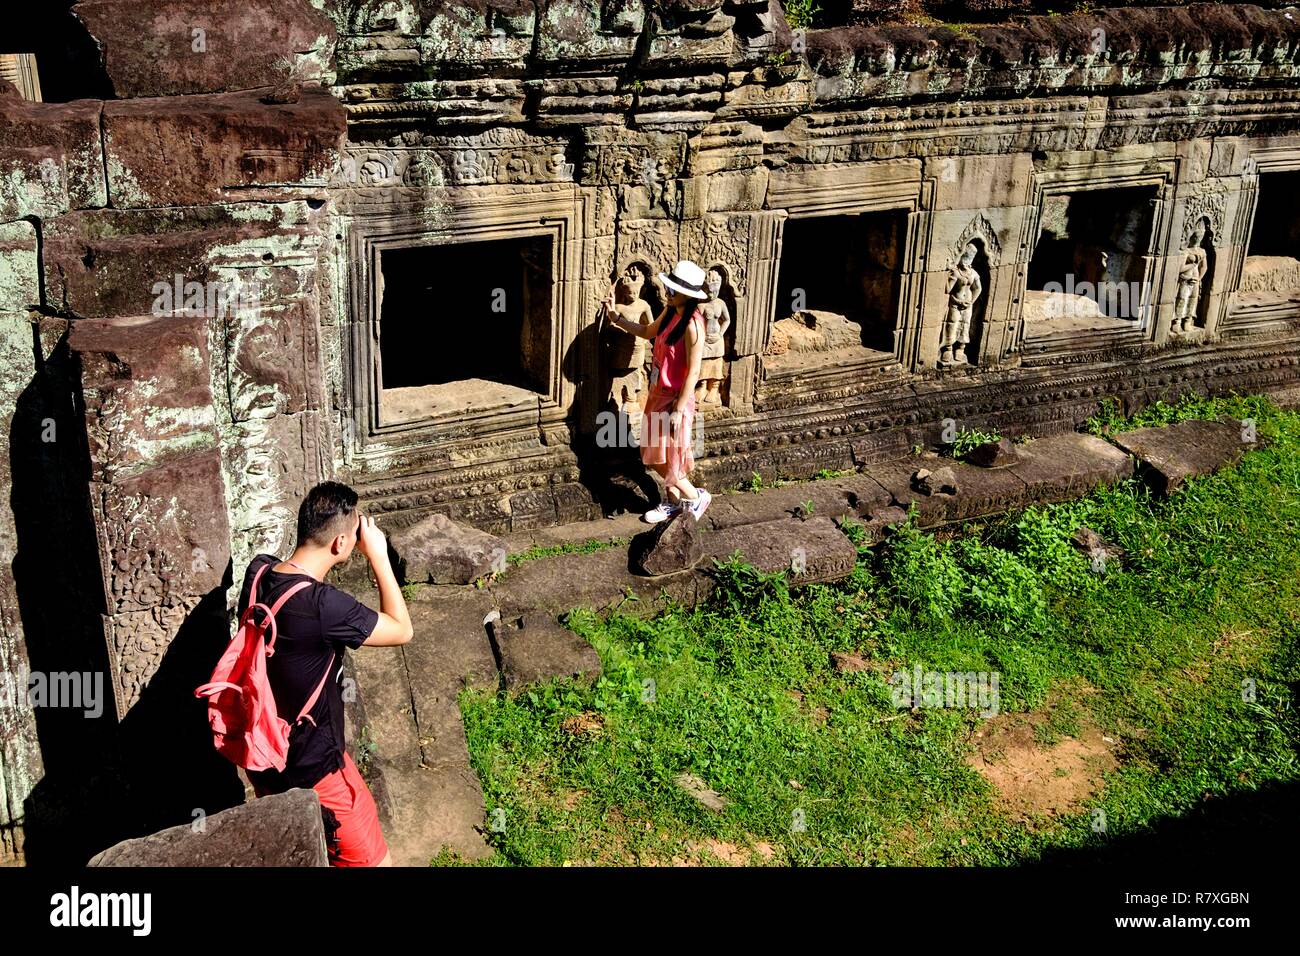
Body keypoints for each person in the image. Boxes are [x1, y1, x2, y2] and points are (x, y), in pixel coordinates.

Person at [236, 481, 414, 867]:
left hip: (264, 753)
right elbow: (402, 629)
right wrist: (379, 557)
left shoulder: (258, 573)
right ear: (340, 545)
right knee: (370, 861)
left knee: (303, 852)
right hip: (314, 766)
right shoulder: (323, 606)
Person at [604, 259, 713, 524]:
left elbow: (694, 372)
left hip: (675, 399)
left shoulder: (692, 326)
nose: (669, 292)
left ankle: (694, 496)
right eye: (669, 287)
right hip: (657, 393)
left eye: (674, 289)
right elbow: (646, 331)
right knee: (655, 454)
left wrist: (678, 410)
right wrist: (616, 318)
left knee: (669, 455)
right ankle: (673, 502)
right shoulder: (670, 312)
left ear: (688, 295)